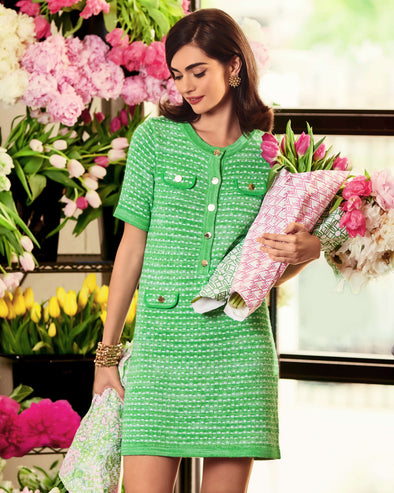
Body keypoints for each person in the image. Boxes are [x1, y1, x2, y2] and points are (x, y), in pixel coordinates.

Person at [93, 8, 321, 493]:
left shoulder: (272, 155)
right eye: (179, 75)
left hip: (237, 354)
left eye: (199, 71)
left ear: (233, 66)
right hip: (160, 352)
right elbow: (131, 249)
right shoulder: (154, 140)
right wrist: (106, 356)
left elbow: (268, 266)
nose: (188, 87)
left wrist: (308, 250)